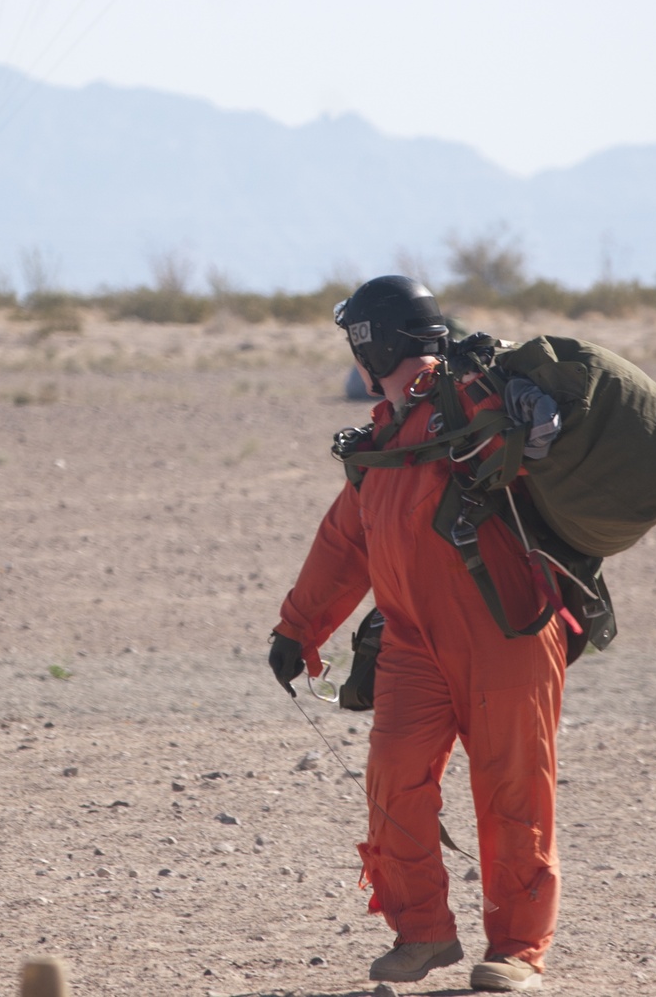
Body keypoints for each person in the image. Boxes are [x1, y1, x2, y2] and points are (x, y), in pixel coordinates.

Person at [269, 276, 566, 994]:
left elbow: (537, 440)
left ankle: (518, 950)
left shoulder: (475, 401)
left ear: (375, 342)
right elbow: (347, 542)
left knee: (512, 792)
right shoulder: (384, 435)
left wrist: (534, 409)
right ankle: (423, 933)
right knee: (394, 780)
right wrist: (297, 629)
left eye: (357, 341)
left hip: (507, 636)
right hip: (409, 643)